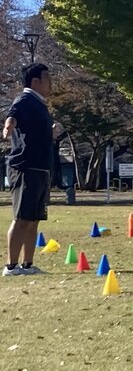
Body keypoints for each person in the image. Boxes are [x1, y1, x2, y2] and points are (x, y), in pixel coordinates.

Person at [4, 63, 59, 277]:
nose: (50, 82)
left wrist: (52, 129)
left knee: (34, 217)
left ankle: (27, 265)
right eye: (47, 78)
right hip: (26, 167)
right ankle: (11, 266)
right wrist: (8, 126)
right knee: (22, 217)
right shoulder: (25, 99)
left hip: (41, 167)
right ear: (35, 81)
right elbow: (13, 115)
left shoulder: (40, 104)